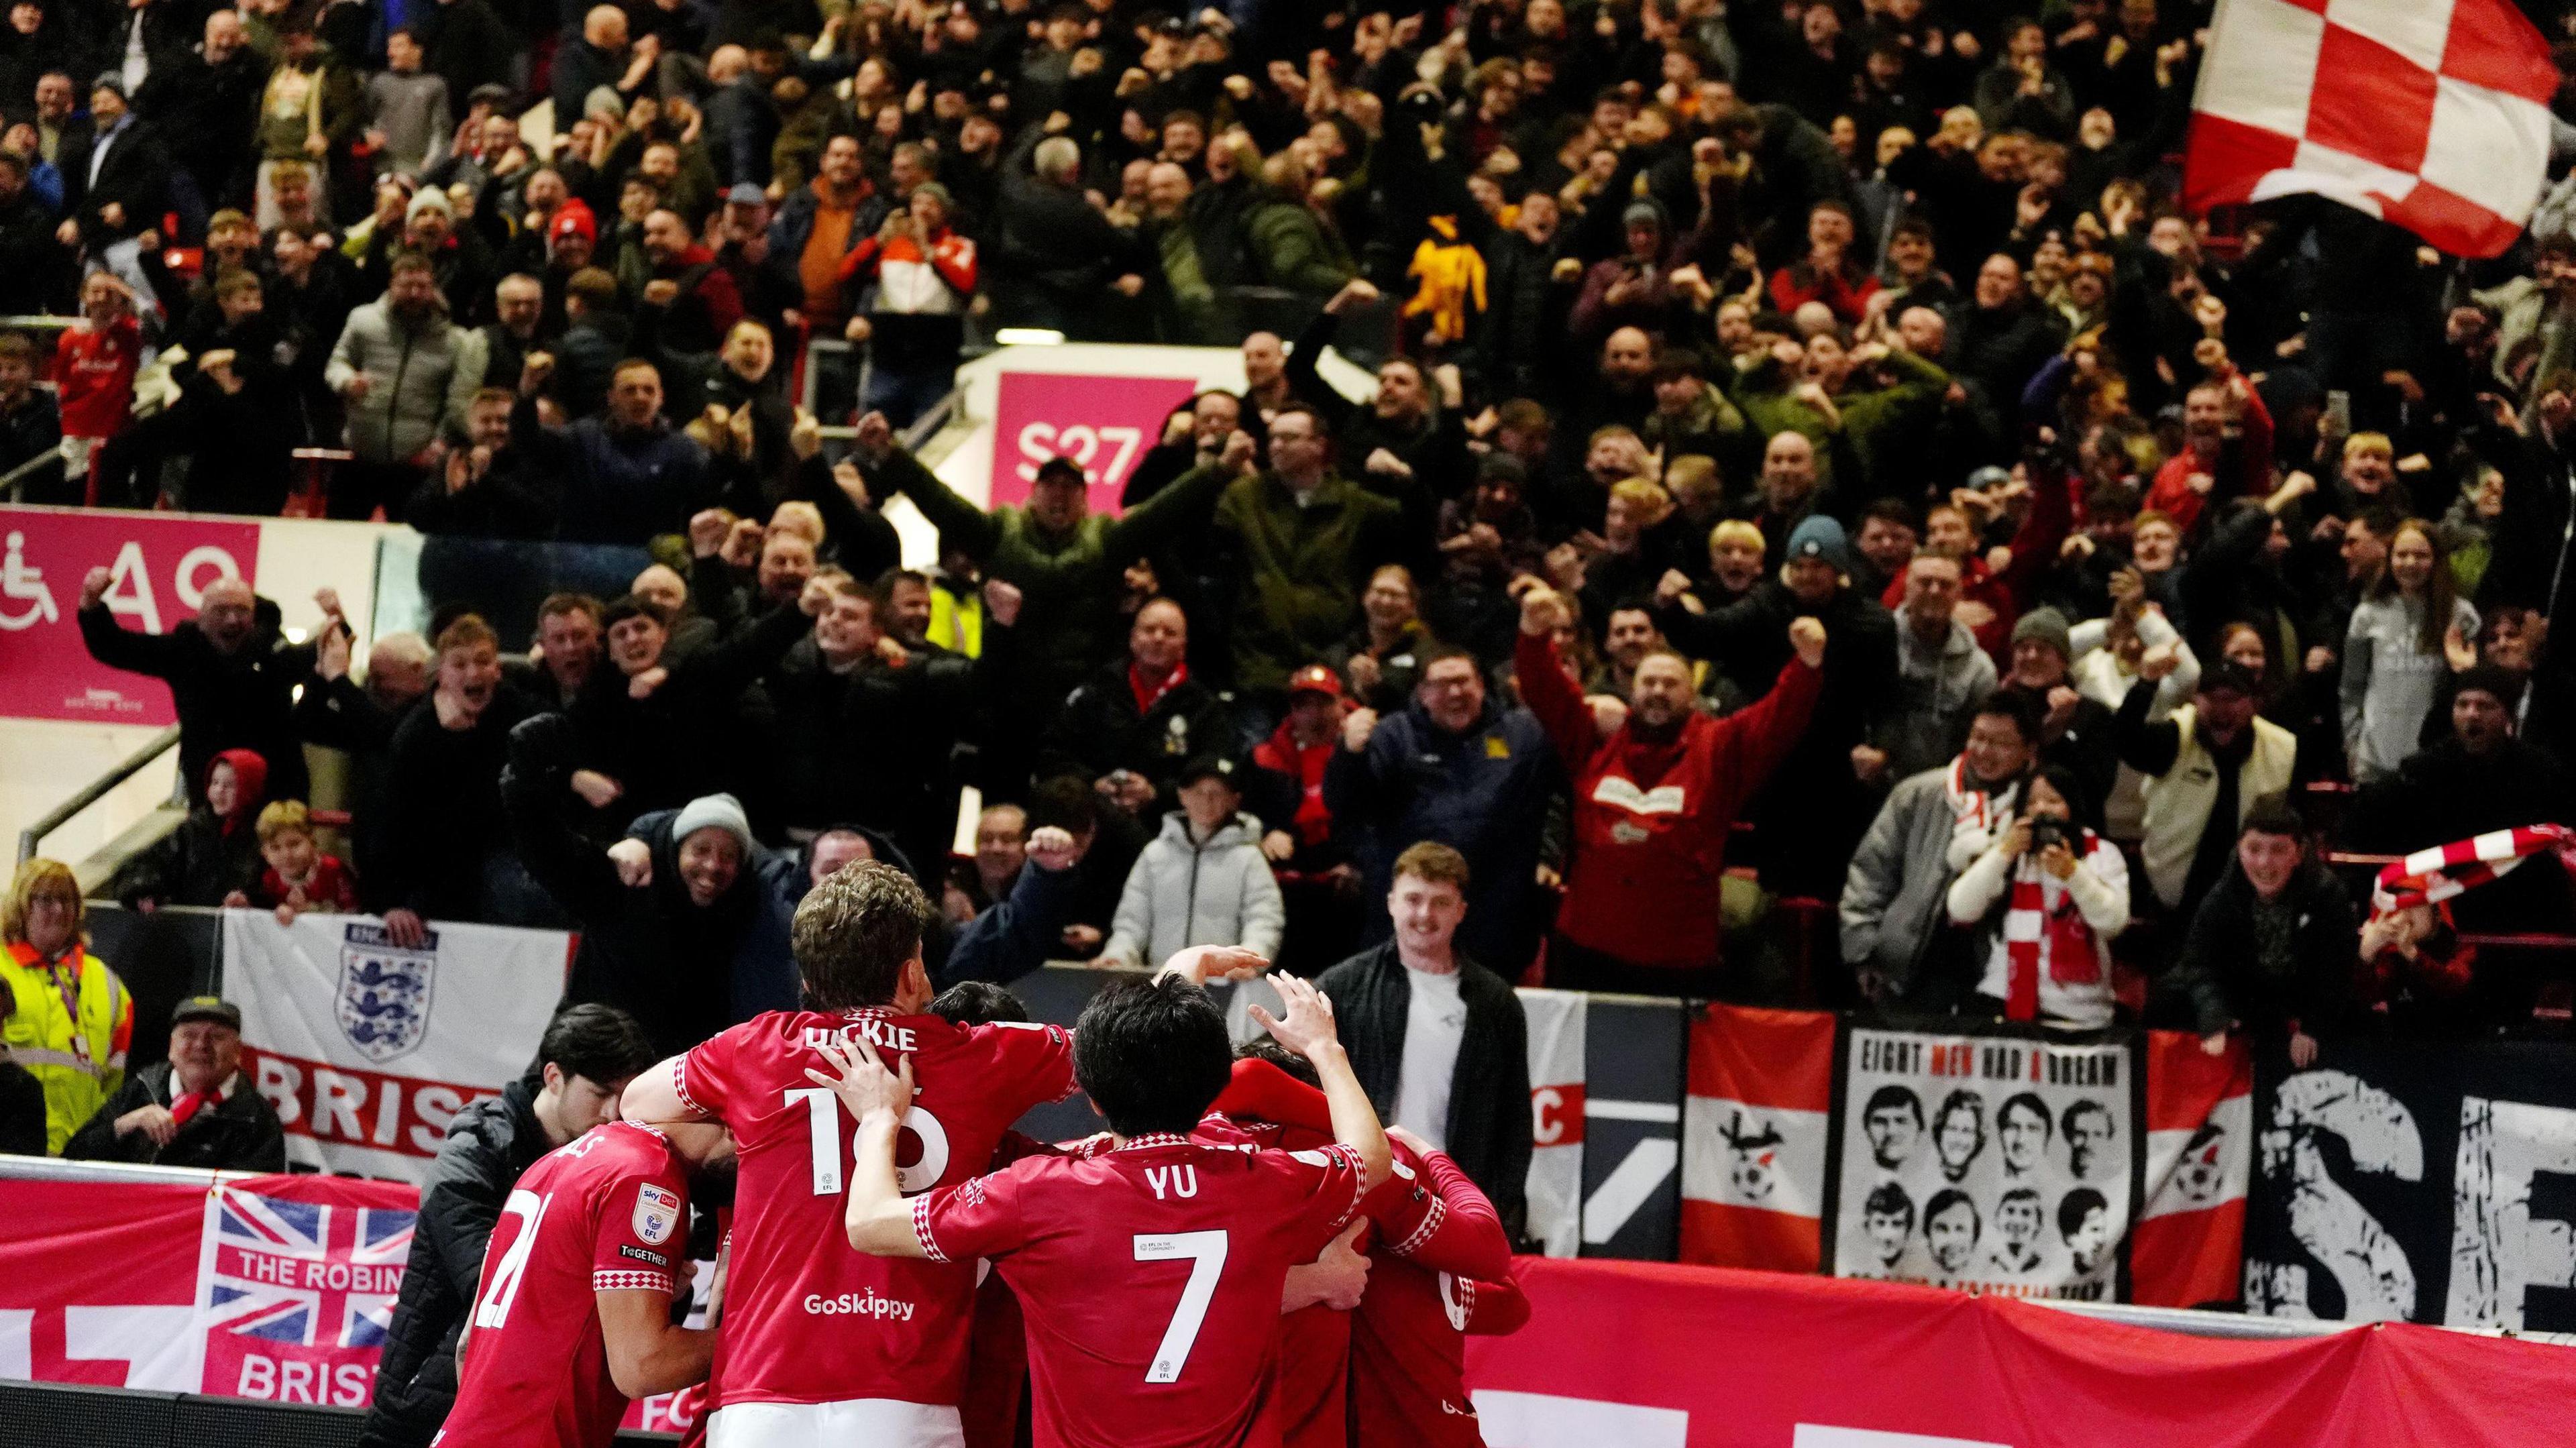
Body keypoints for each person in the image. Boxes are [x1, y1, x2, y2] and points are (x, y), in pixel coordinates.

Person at [615, 858, 1263, 1445]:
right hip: (903, 1400)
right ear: (911, 969)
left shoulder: (753, 1048)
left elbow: (637, 1102)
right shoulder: (985, 1054)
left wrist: (748, 1119)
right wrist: (1183, 970)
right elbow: (1135, 1053)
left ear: (810, 976)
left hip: (758, 1399)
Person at [805, 966, 1390, 1448]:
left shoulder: (1037, 1192)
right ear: (1214, 1082)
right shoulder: (1263, 1180)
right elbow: (1371, 1154)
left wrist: (881, 1120)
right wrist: (1324, 1049)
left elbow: (871, 1223)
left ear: (1086, 1091)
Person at [360, 1003, 661, 1448]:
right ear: (554, 1077)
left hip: (529, 1412)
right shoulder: (474, 1149)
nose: (614, 1111)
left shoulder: (611, 1167)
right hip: (428, 1403)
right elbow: (490, 1276)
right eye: (600, 1092)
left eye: (626, 1094)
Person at [1516, 582, 1827, 992]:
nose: (1658, 692)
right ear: (1632, 690)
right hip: (1588, 948)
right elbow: (1548, 692)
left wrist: (1807, 664)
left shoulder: (1718, 748)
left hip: (1677, 958)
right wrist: (1533, 635)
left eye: (1670, 684)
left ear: (1692, 694)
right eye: (1649, 683)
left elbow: (1777, 720)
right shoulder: (1598, 738)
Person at [436, 1115, 735, 1448]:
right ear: (731, 1127)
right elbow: (644, 1365)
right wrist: (774, 1338)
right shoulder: (646, 1173)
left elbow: (466, 1346)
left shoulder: (556, 1160)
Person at [1314, 841, 1532, 1235]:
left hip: (1456, 1196)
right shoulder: (1342, 987)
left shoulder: (1496, 1003)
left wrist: (1499, 1209)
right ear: (1391, 902)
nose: (1424, 915)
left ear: (1461, 911)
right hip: (1364, 1189)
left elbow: (1514, 1122)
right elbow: (1286, 1070)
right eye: (1413, 899)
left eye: (1440, 902)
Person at [1326, 644, 1557, 976]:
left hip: (1495, 924)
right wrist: (1348, 755)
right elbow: (1347, 807)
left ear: (1481, 684)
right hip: (1410, 921)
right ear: (1422, 692)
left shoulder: (1523, 735)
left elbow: (1557, 796)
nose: (1455, 692)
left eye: (1464, 681)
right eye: (1441, 684)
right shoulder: (1393, 735)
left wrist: (1548, 854)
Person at [1842, 694, 2039, 1007]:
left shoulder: (2039, 806)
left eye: (2001, 743)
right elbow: (1871, 874)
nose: (1985, 752)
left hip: (2002, 971)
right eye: (1979, 738)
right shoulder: (1918, 794)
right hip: (1912, 968)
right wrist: (1863, 951)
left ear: (2030, 751)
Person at [75, 571, 321, 805]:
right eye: (221, 610)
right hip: (209, 793)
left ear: (254, 617)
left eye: (242, 611)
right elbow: (117, 647)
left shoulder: (275, 653)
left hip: (277, 790)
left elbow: (321, 658)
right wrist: (91, 604)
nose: (232, 619)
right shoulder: (184, 652)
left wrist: (338, 624)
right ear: (201, 618)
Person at [2161, 799, 2361, 1067]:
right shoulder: (2223, 895)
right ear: (2239, 849)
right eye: (2254, 849)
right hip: (2247, 1003)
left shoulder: (2326, 894)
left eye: (2278, 850)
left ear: (2298, 854)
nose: (2264, 863)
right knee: (2169, 1000)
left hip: (2302, 1004)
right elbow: (2199, 961)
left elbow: (2338, 970)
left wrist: (2313, 1027)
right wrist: (2215, 1013)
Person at [1943, 765, 2130, 1027]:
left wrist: (2073, 875)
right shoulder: (2009, 852)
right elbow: (1960, 909)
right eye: (2032, 803)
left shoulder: (2102, 855)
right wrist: (2003, 853)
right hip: (2003, 1000)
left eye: (2053, 801)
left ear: (2073, 807)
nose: (2041, 809)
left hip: (2078, 1011)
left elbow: (2113, 923)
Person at [2113, 657, 2299, 913]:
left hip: (2252, 901)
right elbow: (2125, 741)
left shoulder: (2283, 749)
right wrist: (2146, 684)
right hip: (2174, 900)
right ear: (2195, 701)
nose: (2221, 709)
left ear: (2254, 705)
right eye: (2212, 698)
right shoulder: (2176, 736)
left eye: (2232, 698)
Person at [1099, 756, 1285, 972]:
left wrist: (1246, 963)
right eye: (1198, 792)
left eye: (1217, 793)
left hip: (1225, 983)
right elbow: (1131, 921)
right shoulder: (1155, 855)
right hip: (1162, 984)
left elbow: (1263, 920)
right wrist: (1117, 957)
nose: (1207, 801)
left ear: (1233, 800)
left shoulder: (1249, 858)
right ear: (1182, 796)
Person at [1, 859, 132, 1155]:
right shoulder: (1, 970)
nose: (59, 911)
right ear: (21, 907)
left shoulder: (108, 983)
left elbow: (114, 1083)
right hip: (9, 1153)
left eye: (67, 900)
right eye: (46, 900)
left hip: (78, 1157)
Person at [65, 995, 284, 1170]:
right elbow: (73, 1159)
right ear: (171, 1047)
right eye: (189, 1035)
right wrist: (124, 1125)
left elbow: (252, 1208)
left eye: (216, 1037)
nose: (201, 1045)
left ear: (238, 1052)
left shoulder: (256, 1118)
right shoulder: (142, 1088)